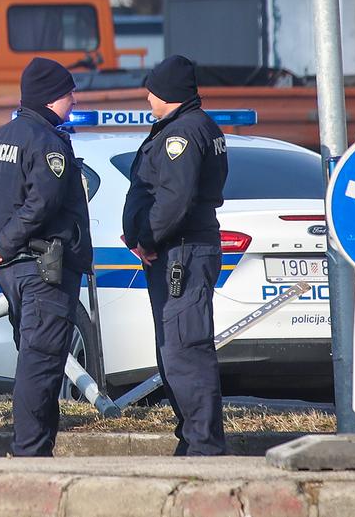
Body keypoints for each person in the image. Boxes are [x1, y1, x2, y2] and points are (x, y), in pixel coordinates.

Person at [0, 57, 92, 458]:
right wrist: (1, 244)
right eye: (69, 93)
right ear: (51, 98)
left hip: (13, 272)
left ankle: (37, 448)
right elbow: (42, 205)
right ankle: (30, 454)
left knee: (37, 359)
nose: (74, 100)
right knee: (41, 364)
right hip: (43, 270)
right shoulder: (48, 142)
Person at [121, 54, 229, 457]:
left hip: (180, 254)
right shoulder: (196, 125)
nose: (147, 97)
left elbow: (174, 199)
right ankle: (193, 439)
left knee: (185, 350)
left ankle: (203, 446)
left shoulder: (180, 133)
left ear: (168, 92)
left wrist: (147, 239)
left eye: (152, 91)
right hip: (183, 251)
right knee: (178, 347)